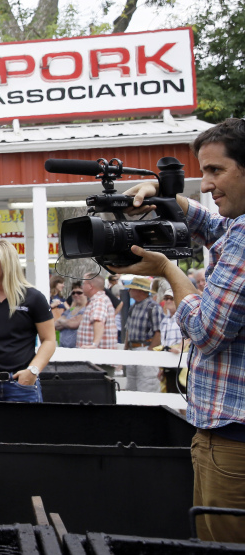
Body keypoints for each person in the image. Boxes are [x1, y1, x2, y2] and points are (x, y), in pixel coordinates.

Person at [119, 118, 245, 542]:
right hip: (230, 434)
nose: (206, 185)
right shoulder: (237, 229)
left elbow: (208, 332)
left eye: (215, 171)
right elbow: (215, 227)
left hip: (234, 440)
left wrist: (167, 270)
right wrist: (168, 198)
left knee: (222, 544)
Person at [0, 239, 56, 402]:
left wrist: (33, 371)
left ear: (6, 264)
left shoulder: (33, 298)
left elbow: (49, 340)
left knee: (24, 428)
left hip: (21, 384)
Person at [121, 275, 163, 392]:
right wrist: (126, 350)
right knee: (131, 386)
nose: (129, 291)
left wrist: (150, 352)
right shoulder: (133, 307)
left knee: (147, 385)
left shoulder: (153, 307)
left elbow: (158, 332)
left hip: (145, 348)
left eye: (132, 288)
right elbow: (128, 331)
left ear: (140, 290)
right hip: (133, 349)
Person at [77, 274, 118, 350]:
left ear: (90, 286)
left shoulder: (99, 301)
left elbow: (98, 321)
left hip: (98, 356)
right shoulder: (99, 299)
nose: (81, 286)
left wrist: (94, 345)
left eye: (83, 283)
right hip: (99, 355)